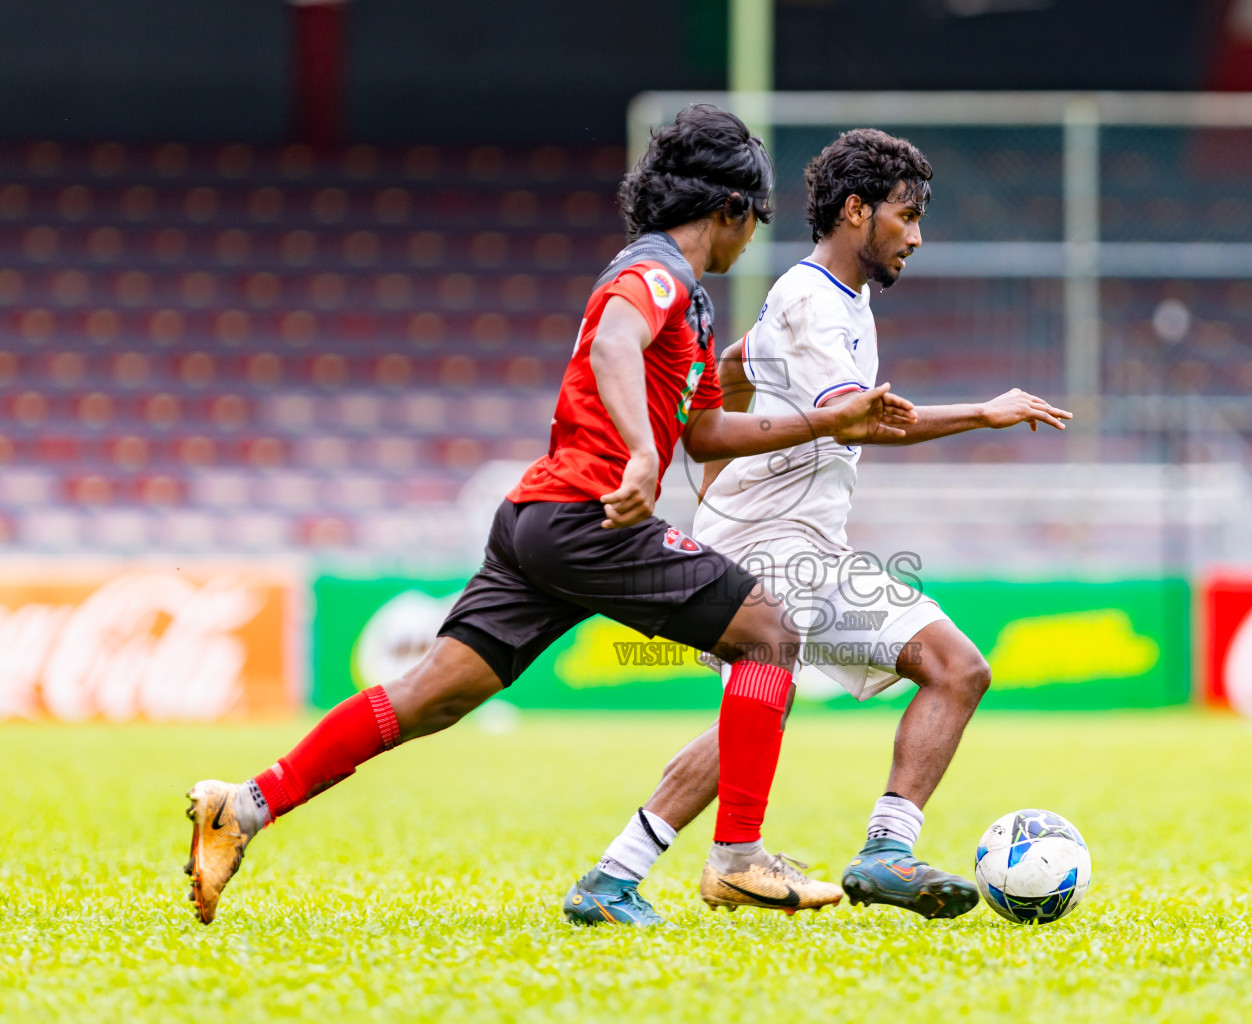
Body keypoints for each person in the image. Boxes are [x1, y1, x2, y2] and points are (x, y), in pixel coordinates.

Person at [183, 104, 918, 925]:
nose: (753, 239)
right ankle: (738, 857)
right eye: (755, 222)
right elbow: (612, 338)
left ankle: (244, 806)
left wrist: (827, 420)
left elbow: (707, 430)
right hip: (593, 516)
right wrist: (642, 454)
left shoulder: (692, 305)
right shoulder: (659, 270)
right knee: (770, 634)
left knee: (433, 694)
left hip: (537, 517)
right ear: (730, 209)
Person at [564, 128, 1071, 926]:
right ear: (855, 210)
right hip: (775, 543)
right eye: (905, 216)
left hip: (767, 534)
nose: (917, 235)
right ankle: (884, 849)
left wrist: (710, 425)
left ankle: (614, 875)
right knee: (957, 668)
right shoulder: (813, 302)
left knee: (755, 711)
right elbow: (863, 423)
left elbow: (731, 364)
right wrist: (985, 411)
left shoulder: (822, 297)